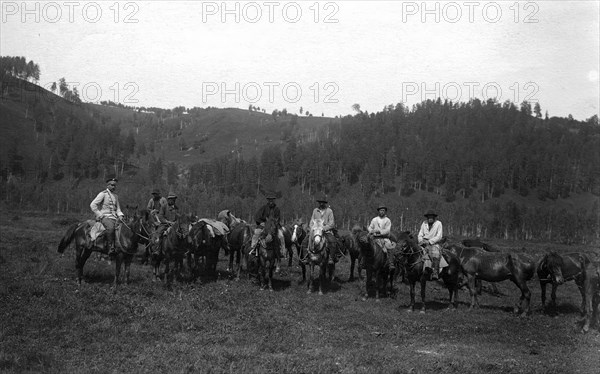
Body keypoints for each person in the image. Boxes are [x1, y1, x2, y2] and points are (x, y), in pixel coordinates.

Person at [251, 193, 286, 273]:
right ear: (268, 200)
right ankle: (253, 248)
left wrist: (275, 225)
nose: (271, 201)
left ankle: (282, 252)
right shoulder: (264, 208)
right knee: (256, 233)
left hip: (274, 226)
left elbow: (278, 218)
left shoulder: (277, 209)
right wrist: (260, 222)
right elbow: (257, 216)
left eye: (272, 200)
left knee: (281, 236)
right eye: (269, 200)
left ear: (274, 200)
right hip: (264, 225)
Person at [90, 177, 124, 257]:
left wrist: (121, 215)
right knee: (111, 228)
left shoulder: (115, 196)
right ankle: (110, 247)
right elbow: (93, 205)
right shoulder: (103, 194)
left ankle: (121, 247)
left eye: (115, 185)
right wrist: (100, 215)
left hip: (115, 217)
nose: (114, 187)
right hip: (105, 217)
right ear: (108, 185)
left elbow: (118, 209)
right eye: (112, 185)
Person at [309, 195, 340, 265]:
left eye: (323, 202)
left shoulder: (329, 211)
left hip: (326, 231)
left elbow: (332, 223)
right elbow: (311, 222)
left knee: (332, 241)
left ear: (325, 203)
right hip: (315, 231)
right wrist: (312, 229)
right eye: (320, 202)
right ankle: (306, 257)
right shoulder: (315, 210)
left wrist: (324, 228)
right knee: (305, 241)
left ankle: (331, 257)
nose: (321, 204)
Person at [368, 204, 397, 270]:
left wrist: (379, 231)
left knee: (389, 246)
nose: (382, 212)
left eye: (383, 210)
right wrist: (371, 230)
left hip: (384, 238)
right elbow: (370, 227)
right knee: (366, 245)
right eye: (381, 210)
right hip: (374, 238)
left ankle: (390, 263)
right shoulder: (374, 219)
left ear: (385, 212)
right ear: (378, 211)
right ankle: (363, 262)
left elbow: (387, 230)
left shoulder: (387, 220)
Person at [418, 210, 444, 280]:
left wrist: (429, 241)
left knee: (435, 253)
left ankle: (435, 272)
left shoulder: (438, 223)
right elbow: (420, 233)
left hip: (434, 243)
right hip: (423, 242)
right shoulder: (424, 223)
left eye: (431, 217)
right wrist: (421, 240)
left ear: (434, 217)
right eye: (428, 217)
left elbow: (439, 236)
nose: (430, 218)